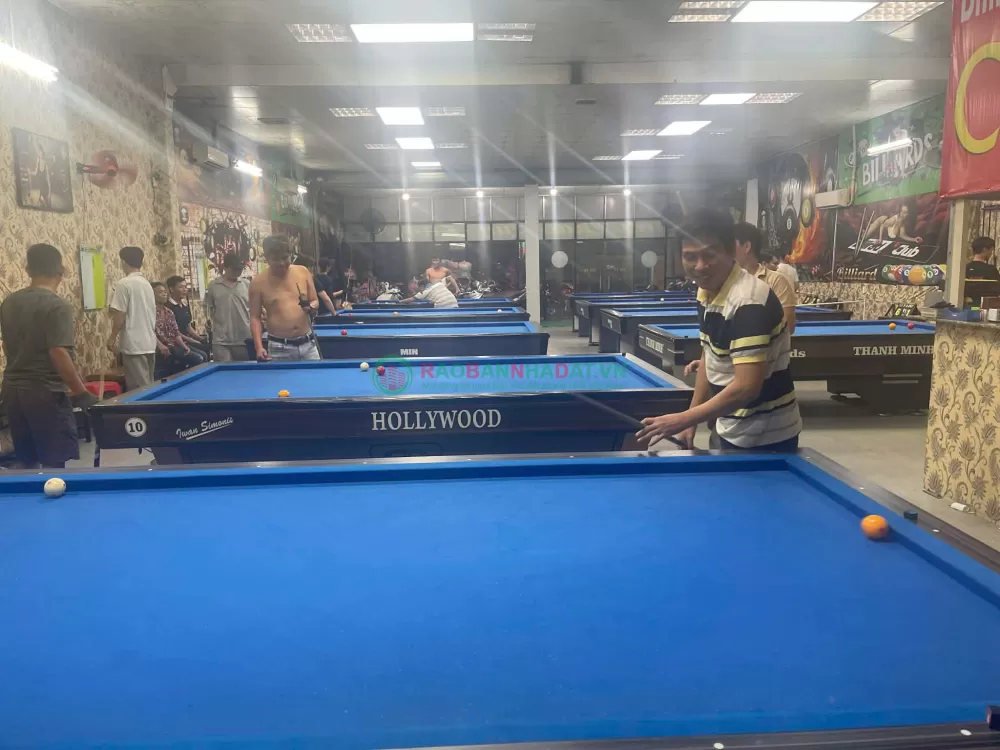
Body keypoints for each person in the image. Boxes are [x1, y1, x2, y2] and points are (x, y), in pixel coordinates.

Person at [637, 209, 801, 452]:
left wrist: (682, 419)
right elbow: (709, 356)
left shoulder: (748, 300)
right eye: (690, 257)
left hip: (764, 439)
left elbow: (746, 387)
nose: (700, 266)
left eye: (709, 255)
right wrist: (691, 420)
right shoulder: (706, 291)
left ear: (730, 251)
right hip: (728, 426)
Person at [0, 244, 97, 468]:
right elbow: (58, 352)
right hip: (45, 393)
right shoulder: (58, 305)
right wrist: (81, 392)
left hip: (13, 391)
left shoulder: (9, 302)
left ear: (27, 269)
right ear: (60, 270)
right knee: (54, 464)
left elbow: (6, 345)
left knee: (27, 460)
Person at [249, 235, 319, 361]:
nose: (281, 263)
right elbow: (255, 317)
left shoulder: (303, 272)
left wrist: (311, 307)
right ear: (267, 258)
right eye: (276, 259)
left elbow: (315, 301)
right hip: (279, 348)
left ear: (291, 255)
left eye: (285, 258)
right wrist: (258, 347)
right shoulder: (257, 283)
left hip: (309, 344)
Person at [108, 246, 157, 391]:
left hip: (134, 344)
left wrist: (112, 337)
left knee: (139, 389)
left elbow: (120, 314)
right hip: (149, 343)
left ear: (123, 262)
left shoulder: (124, 283)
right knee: (148, 385)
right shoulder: (146, 284)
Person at [734, 223, 796, 334]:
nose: (727, 250)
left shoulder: (776, 281)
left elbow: (788, 327)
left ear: (747, 246)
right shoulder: (727, 280)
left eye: (731, 244)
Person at [204, 253, 251, 362]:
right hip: (221, 340)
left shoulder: (247, 284)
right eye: (234, 269)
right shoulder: (213, 286)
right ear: (225, 267)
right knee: (224, 370)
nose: (238, 272)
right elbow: (208, 308)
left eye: (240, 269)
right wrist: (209, 321)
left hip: (244, 338)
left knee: (245, 370)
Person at [152, 282, 205, 376]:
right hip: (160, 347)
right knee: (198, 358)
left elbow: (176, 333)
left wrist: (184, 346)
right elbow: (150, 332)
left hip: (175, 345)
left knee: (203, 355)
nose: (164, 294)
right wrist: (161, 345)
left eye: (165, 292)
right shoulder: (150, 312)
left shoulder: (169, 312)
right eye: (160, 292)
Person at [165, 275, 210, 357]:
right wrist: (193, 341)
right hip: (177, 342)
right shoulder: (168, 308)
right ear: (171, 289)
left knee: (208, 346)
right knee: (202, 355)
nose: (184, 290)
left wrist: (199, 338)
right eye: (181, 287)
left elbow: (188, 326)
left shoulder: (184, 305)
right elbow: (175, 332)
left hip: (187, 340)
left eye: (185, 287)